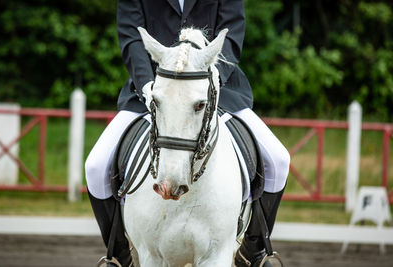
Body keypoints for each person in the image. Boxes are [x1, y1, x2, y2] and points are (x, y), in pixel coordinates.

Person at [85, 0, 290, 266]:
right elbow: (132, 39)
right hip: (154, 89)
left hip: (216, 88)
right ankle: (119, 255)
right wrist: (148, 85)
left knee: (278, 160)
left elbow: (232, 31)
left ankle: (253, 252)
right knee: (96, 166)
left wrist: (214, 77)